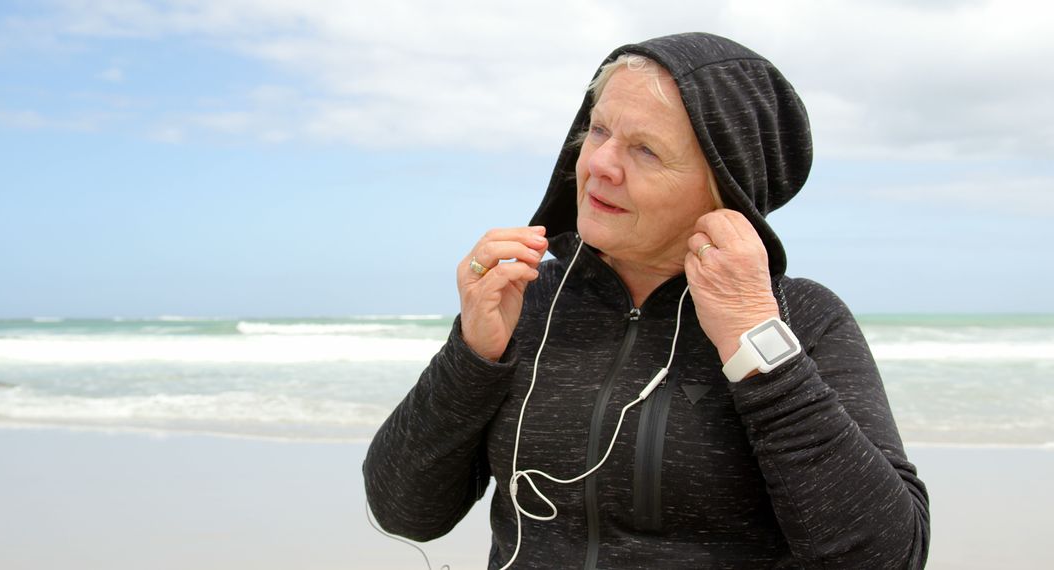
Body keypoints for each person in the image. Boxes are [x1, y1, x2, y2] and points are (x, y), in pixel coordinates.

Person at [364, 32, 930, 569]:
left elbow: (885, 555)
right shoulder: (528, 299)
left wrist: (751, 337)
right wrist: (472, 356)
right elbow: (403, 512)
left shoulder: (800, 317)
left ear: (723, 187)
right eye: (600, 130)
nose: (599, 164)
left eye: (646, 151)